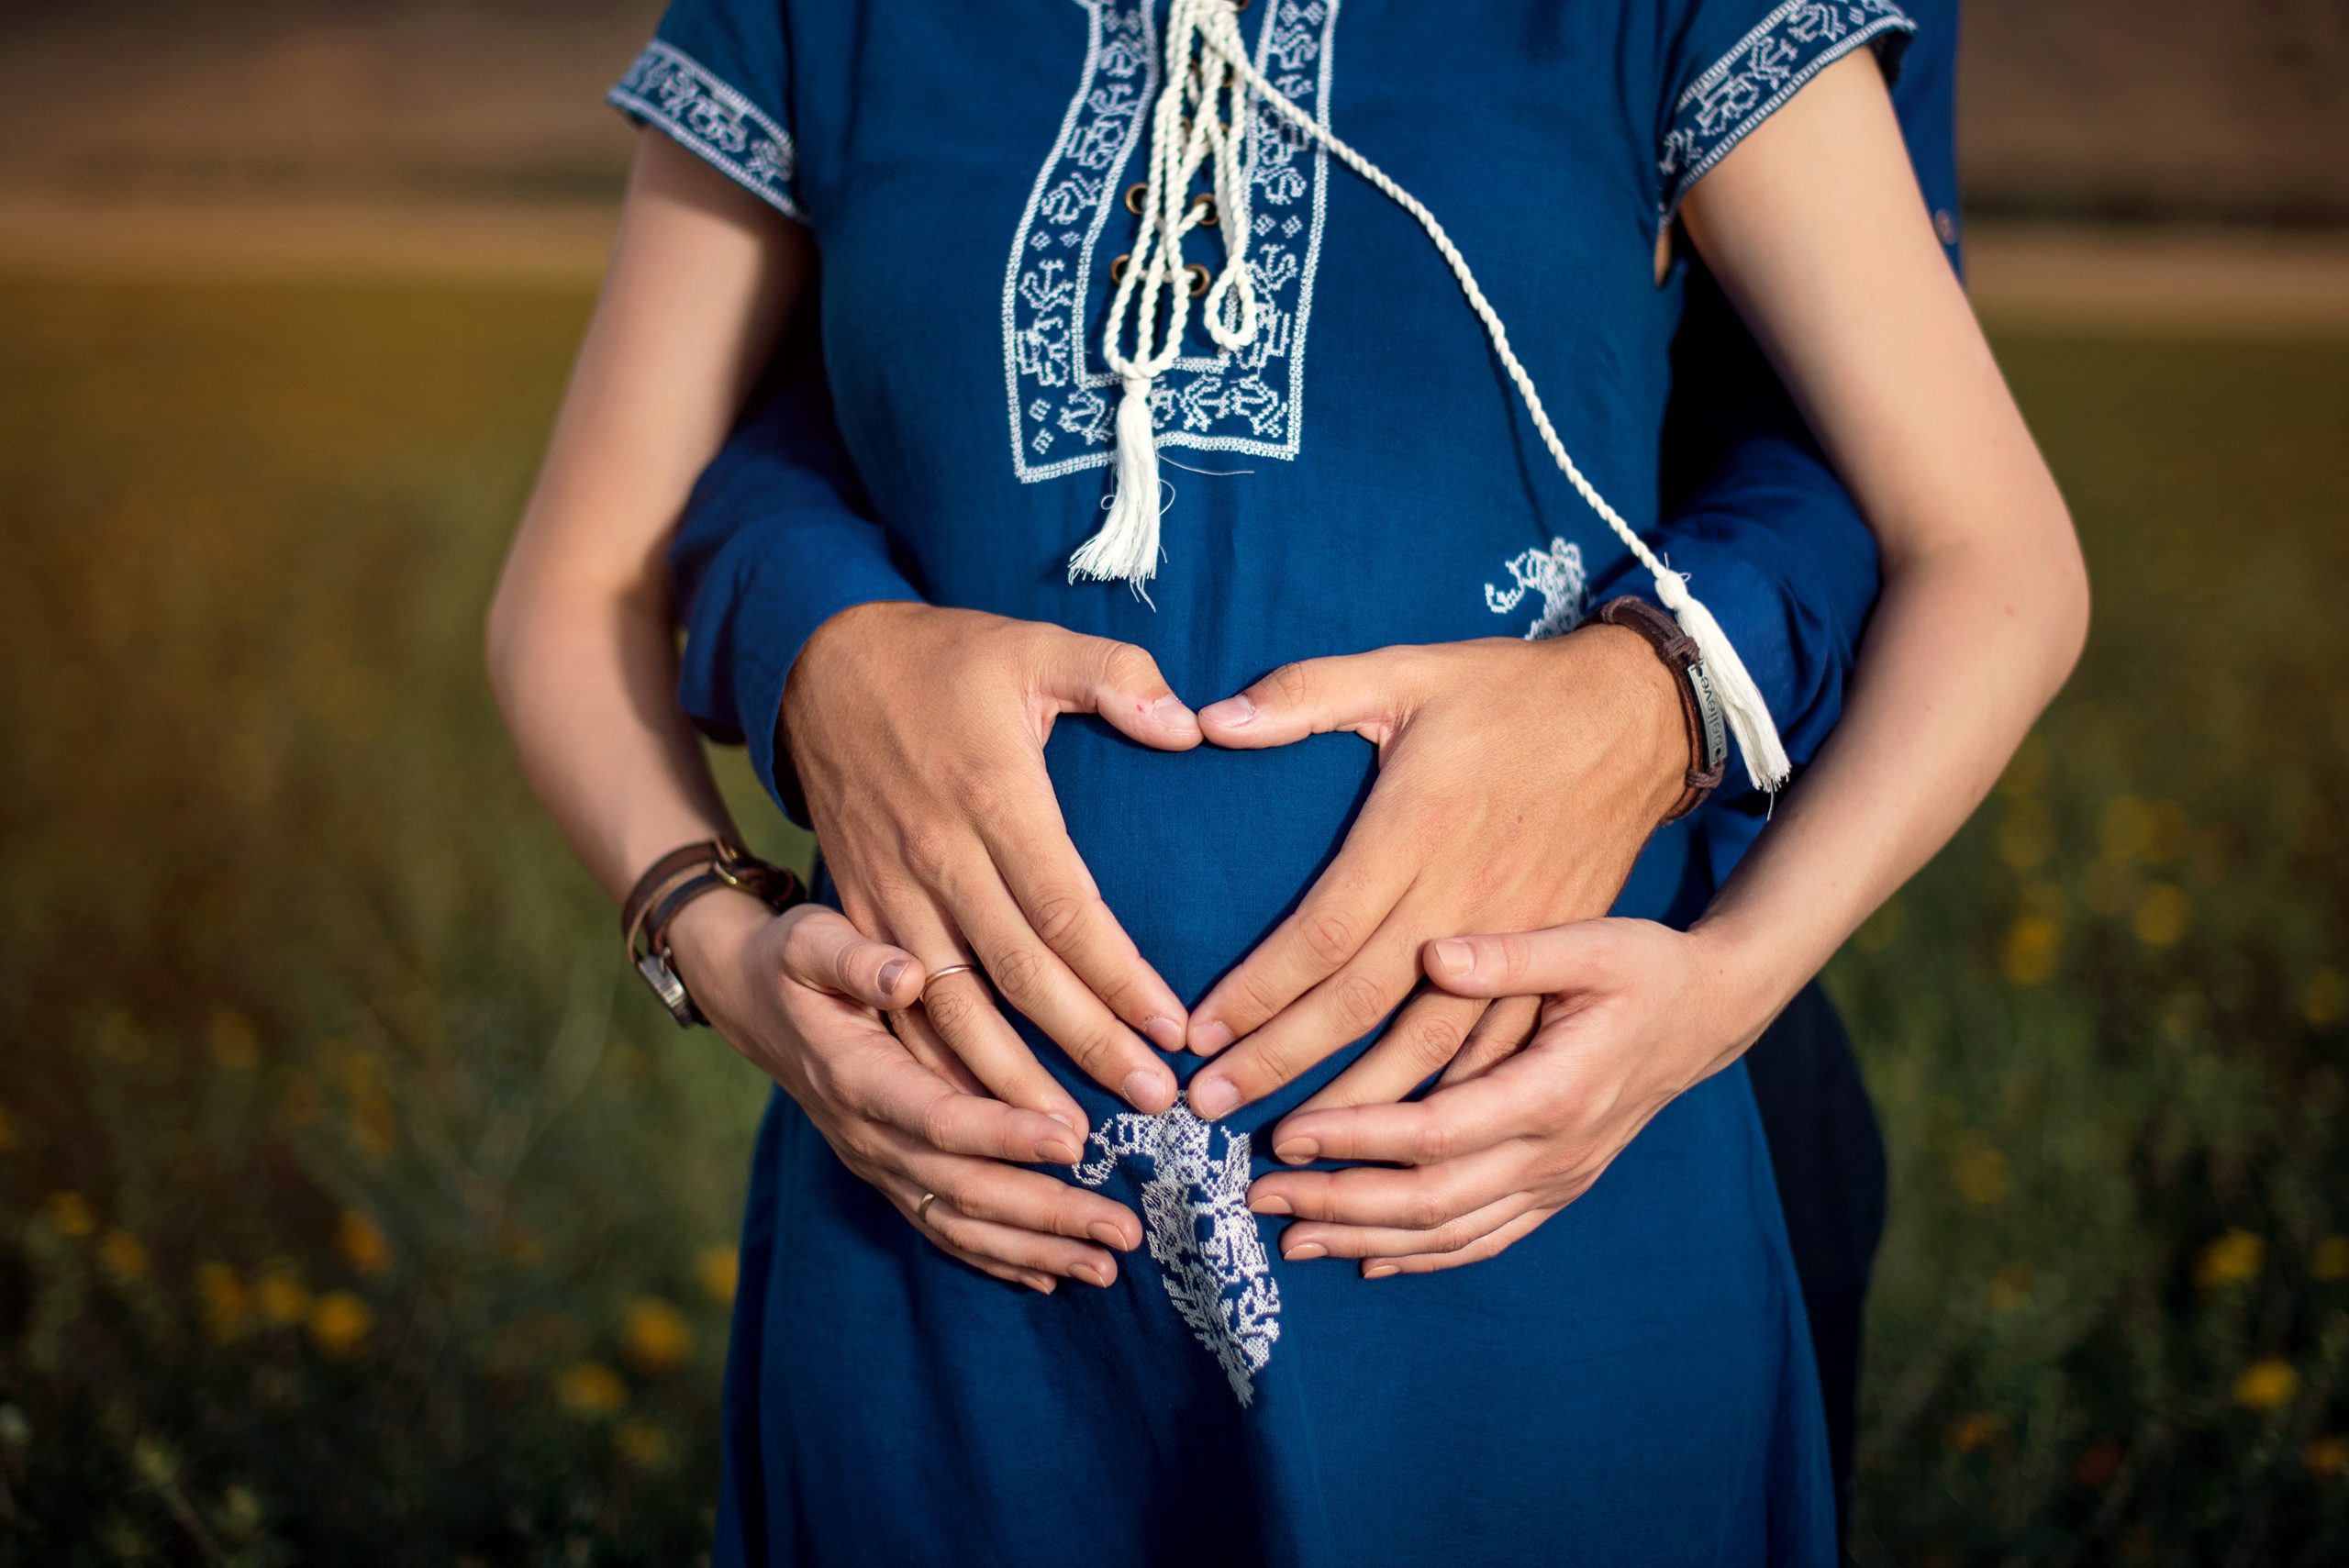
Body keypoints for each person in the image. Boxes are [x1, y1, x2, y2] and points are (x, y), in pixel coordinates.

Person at [486, 3, 2086, 1563]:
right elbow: (580, 582)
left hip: (1535, 1230)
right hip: (951, 1272)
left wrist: (1725, 986)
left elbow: (1986, 546)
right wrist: (718, 939)